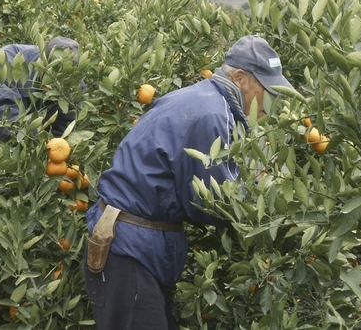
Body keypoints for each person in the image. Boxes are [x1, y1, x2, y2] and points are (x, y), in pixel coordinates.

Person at [83, 35, 294, 330]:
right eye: (268, 92)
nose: (270, 106)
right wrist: (270, 199)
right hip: (129, 247)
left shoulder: (205, 99)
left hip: (137, 245)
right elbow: (215, 203)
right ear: (240, 79)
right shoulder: (213, 114)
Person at [0, 36, 81, 150]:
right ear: (42, 63)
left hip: (24, 148)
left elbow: (64, 126)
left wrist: (52, 149)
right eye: (51, 79)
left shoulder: (74, 88)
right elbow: (5, 112)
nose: (53, 88)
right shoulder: (7, 61)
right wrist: (36, 141)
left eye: (62, 83)